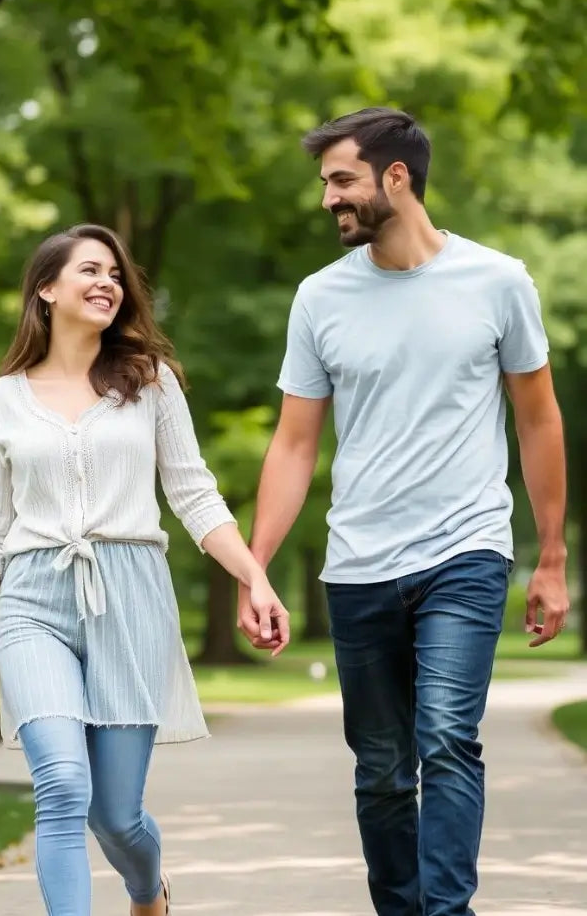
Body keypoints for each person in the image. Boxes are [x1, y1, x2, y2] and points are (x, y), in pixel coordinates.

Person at [237, 107, 569, 916]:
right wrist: (255, 568)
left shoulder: (498, 281)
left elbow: (538, 418)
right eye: (325, 184)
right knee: (382, 768)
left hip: (467, 550)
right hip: (360, 564)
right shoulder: (320, 298)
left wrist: (551, 555)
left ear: (397, 178)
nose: (328, 201)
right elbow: (292, 446)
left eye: (342, 180)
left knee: (448, 743)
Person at [0, 223, 289, 916]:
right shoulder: (3, 399)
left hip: (131, 596)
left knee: (116, 816)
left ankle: (147, 889)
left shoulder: (150, 384)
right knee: (62, 786)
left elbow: (194, 495)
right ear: (47, 290)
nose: (108, 282)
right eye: (89, 270)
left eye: (114, 273)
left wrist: (255, 577)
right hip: (33, 600)